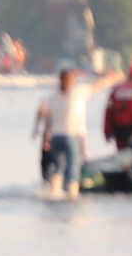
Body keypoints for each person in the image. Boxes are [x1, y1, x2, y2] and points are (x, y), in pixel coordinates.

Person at [37, 65, 94, 197]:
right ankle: (72, 196)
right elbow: (98, 85)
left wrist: (46, 139)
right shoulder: (78, 93)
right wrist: (115, 77)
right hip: (71, 137)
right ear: (72, 81)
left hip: (55, 138)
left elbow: (47, 120)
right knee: (73, 169)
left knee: (58, 168)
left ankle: (53, 193)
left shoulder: (53, 97)